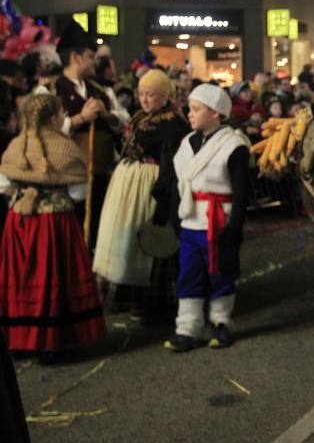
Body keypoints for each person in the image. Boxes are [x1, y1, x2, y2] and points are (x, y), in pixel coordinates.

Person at [0, 94, 105, 361]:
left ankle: (20, 339)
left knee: (21, 278)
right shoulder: (65, 147)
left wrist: (25, 191)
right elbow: (79, 192)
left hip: (19, 220)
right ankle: (52, 341)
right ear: (54, 119)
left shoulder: (16, 145)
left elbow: (3, 185)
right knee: (52, 278)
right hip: (53, 222)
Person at [93, 69, 190, 318]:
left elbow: (172, 163)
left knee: (149, 241)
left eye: (151, 95)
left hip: (150, 184)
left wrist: (163, 196)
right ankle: (127, 297)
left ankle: (152, 303)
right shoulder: (141, 117)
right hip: (129, 183)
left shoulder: (174, 123)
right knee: (126, 237)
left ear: (165, 95)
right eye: (142, 94)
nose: (145, 99)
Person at [165, 84, 250, 352]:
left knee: (220, 273)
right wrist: (176, 217)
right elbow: (179, 184)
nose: (190, 114)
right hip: (191, 221)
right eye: (190, 109)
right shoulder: (187, 143)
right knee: (189, 273)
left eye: (196, 109)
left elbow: (242, 191)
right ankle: (187, 327)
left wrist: (235, 225)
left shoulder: (234, 145)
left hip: (219, 221)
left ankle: (220, 322)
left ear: (215, 113)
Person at [55, 20, 119, 251]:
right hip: (68, 175)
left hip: (101, 172)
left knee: (98, 232)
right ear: (76, 58)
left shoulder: (101, 91)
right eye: (90, 56)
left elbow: (122, 121)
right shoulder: (51, 91)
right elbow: (44, 133)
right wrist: (80, 118)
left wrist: (106, 114)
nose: (94, 62)